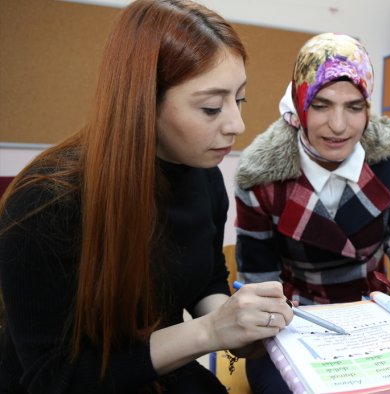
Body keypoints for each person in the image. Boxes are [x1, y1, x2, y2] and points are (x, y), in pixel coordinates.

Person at [0, 1, 293, 392]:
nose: (236, 124)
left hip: (159, 369)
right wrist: (210, 332)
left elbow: (207, 275)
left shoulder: (201, 174)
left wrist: (234, 323)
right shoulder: (44, 205)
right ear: (143, 103)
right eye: (210, 107)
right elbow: (53, 378)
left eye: (239, 99)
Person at [234, 33, 390, 392]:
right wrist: (274, 319)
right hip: (294, 323)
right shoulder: (260, 178)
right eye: (322, 105)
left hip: (375, 313)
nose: (339, 125)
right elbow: (259, 281)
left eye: (355, 107)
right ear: (300, 104)